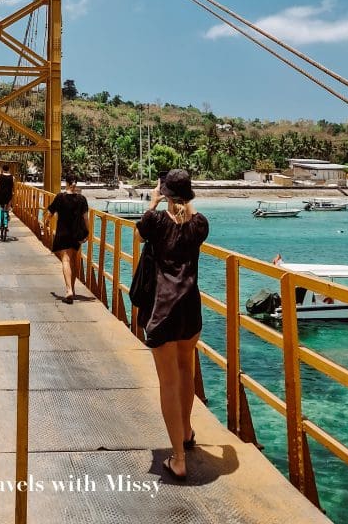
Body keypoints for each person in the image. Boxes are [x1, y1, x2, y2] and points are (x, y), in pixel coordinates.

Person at [136, 168, 209, 483]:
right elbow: (190, 218)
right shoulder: (199, 225)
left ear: (164, 192)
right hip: (189, 309)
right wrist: (184, 202)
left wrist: (153, 202)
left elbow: (139, 234)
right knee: (185, 371)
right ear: (189, 194)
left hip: (163, 310)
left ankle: (178, 458)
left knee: (168, 382)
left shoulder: (154, 222)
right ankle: (188, 430)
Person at [44, 172, 89, 303]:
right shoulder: (82, 199)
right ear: (75, 184)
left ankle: (68, 290)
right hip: (76, 234)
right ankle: (72, 289)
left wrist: (46, 222)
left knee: (65, 260)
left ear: (66, 183)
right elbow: (85, 218)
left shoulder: (60, 197)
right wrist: (87, 233)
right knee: (73, 260)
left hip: (62, 233)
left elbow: (50, 213)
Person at [0, 164, 15, 236]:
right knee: (7, 210)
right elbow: (13, 188)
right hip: (8, 196)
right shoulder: (13, 177)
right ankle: (6, 224)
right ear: (8, 169)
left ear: (2, 169)